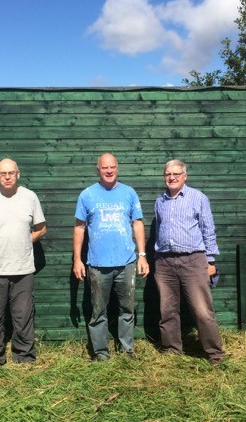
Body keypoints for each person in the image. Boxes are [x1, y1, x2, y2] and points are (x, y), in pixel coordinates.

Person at [72, 153, 149, 360]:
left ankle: (126, 351)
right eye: (104, 168)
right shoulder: (87, 195)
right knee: (98, 312)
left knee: (127, 308)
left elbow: (138, 223)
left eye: (112, 167)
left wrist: (142, 255)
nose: (109, 171)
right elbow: (79, 228)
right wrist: (77, 260)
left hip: (126, 263)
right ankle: (100, 353)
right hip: (97, 264)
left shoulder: (129, 193)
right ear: (98, 170)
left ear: (117, 168)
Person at [0, 158, 47, 365]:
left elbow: (41, 228)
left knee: (23, 316)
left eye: (11, 173)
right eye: (3, 173)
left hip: (23, 268)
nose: (7, 177)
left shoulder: (30, 197)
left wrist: (24, 240)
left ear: (18, 174)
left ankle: (24, 357)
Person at [153, 159, 225, 365]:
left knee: (202, 310)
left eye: (176, 173)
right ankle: (171, 349)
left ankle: (215, 353)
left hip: (193, 260)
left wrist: (210, 261)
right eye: (168, 173)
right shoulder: (160, 201)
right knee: (167, 309)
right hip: (165, 262)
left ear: (185, 176)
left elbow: (208, 230)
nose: (172, 177)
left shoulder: (198, 198)